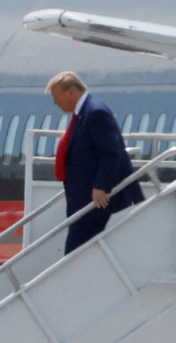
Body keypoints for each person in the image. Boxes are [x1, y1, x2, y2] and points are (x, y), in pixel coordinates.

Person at [46, 71, 145, 254]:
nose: (55, 102)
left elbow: (110, 152)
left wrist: (101, 186)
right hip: (85, 204)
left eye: (56, 96)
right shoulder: (85, 113)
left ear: (71, 93)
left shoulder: (95, 112)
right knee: (78, 255)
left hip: (96, 205)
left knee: (75, 257)